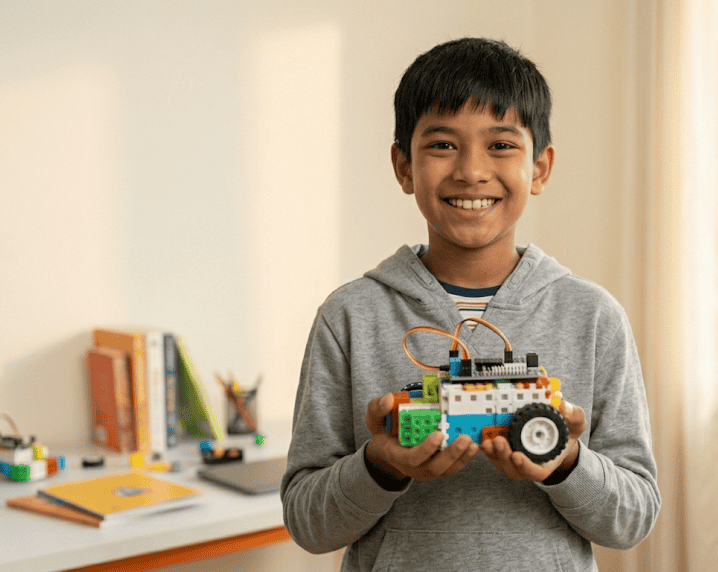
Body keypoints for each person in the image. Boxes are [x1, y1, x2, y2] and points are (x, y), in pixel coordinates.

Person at [281, 37, 660, 571]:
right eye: (442, 145)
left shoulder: (593, 317)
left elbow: (634, 518)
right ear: (404, 166)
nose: (471, 171)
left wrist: (565, 462)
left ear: (540, 168)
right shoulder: (350, 316)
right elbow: (307, 522)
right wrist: (380, 466)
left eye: (501, 145)